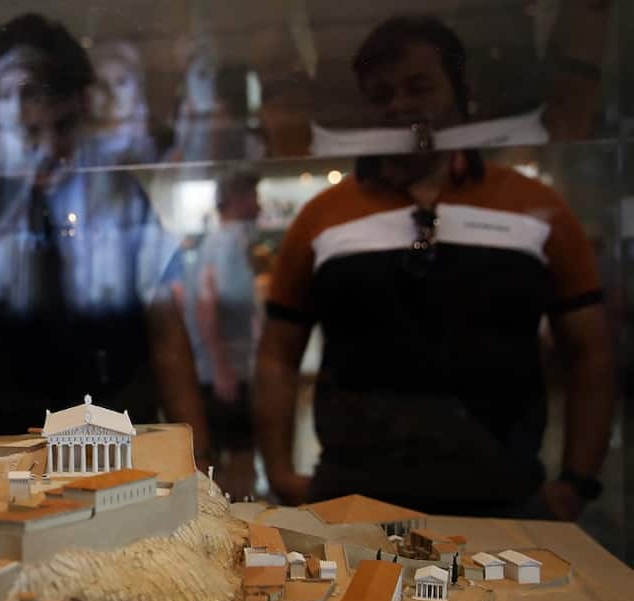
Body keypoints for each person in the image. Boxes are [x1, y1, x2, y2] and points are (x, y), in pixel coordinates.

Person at [254, 17, 614, 519]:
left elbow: (590, 353)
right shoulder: (323, 216)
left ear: (461, 92)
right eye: (380, 94)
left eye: (419, 86)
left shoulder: (534, 206)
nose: (399, 105)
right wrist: (279, 474)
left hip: (502, 495)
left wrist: (578, 481)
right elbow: (277, 354)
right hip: (351, 494)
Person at [0, 14, 209, 459]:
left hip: (118, 452)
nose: (46, 149)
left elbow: (167, 335)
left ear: (83, 107)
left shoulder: (118, 193)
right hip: (4, 460)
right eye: (25, 133)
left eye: (61, 128)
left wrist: (194, 462)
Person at [174, 169, 262, 498]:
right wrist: (222, 369)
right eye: (253, 197)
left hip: (228, 369)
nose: (258, 205)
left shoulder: (229, 240)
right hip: (223, 376)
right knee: (235, 463)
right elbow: (206, 305)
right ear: (236, 201)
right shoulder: (223, 242)